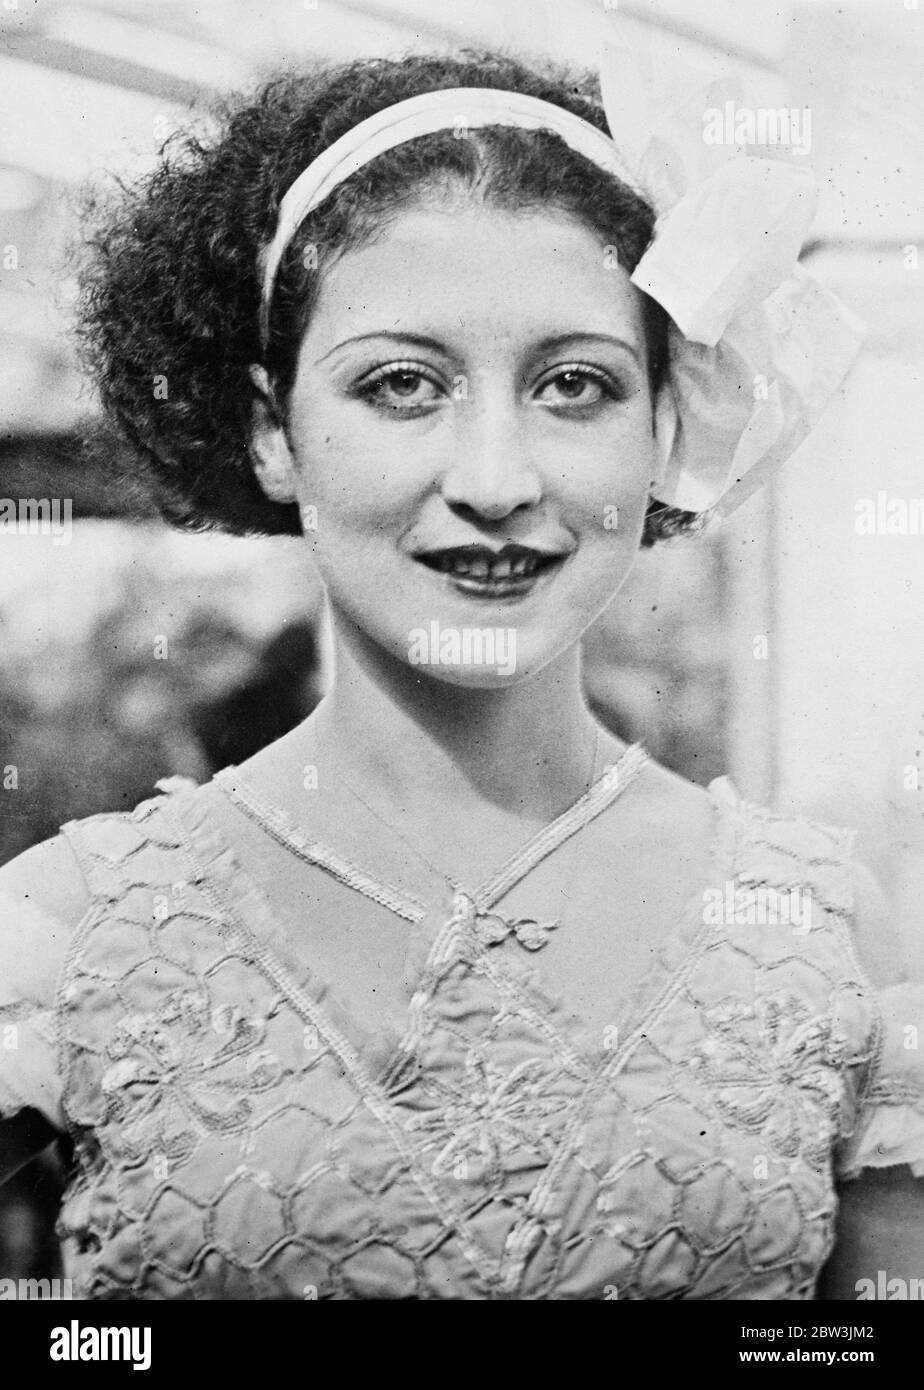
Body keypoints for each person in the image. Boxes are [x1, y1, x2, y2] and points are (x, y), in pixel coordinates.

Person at [0, 49, 920, 1301]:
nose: (496, 478)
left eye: (574, 384)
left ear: (665, 426)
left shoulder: (828, 936)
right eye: (403, 384)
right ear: (274, 428)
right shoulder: (61, 936)